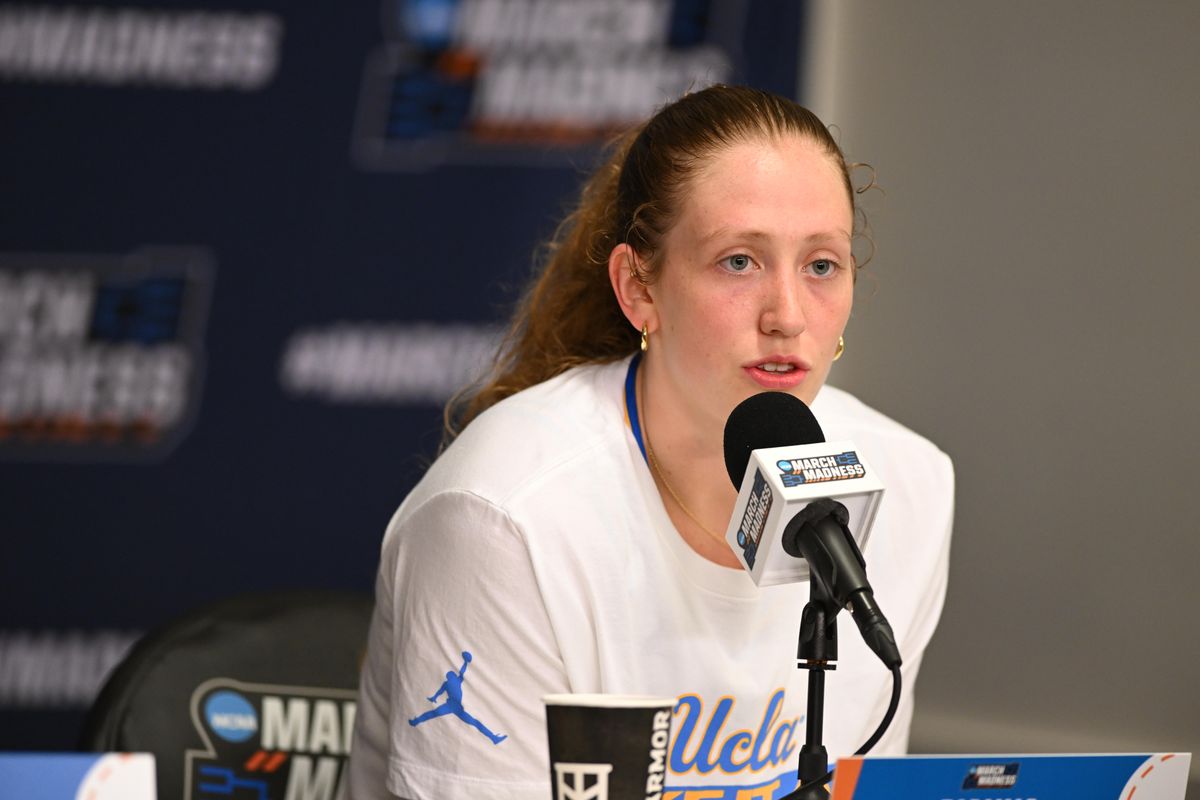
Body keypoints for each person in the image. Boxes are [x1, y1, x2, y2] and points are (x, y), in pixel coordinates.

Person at [346, 85, 954, 800]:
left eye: (821, 264)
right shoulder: (506, 518)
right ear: (639, 288)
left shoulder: (909, 485)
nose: (787, 315)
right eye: (739, 261)